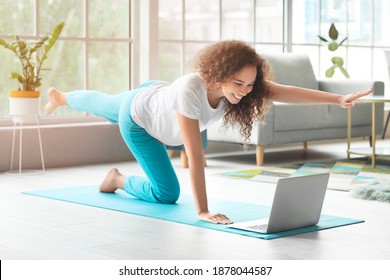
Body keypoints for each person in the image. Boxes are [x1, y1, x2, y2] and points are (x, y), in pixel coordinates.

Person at [45, 40, 371, 225]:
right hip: (140, 117)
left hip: (158, 96)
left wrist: (338, 98)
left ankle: (62, 98)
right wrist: (201, 210)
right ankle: (114, 177)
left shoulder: (238, 87)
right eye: (237, 84)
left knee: (107, 105)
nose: (244, 91)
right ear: (217, 75)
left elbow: (282, 91)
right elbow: (196, 158)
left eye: (250, 84)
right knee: (165, 192)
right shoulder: (190, 90)